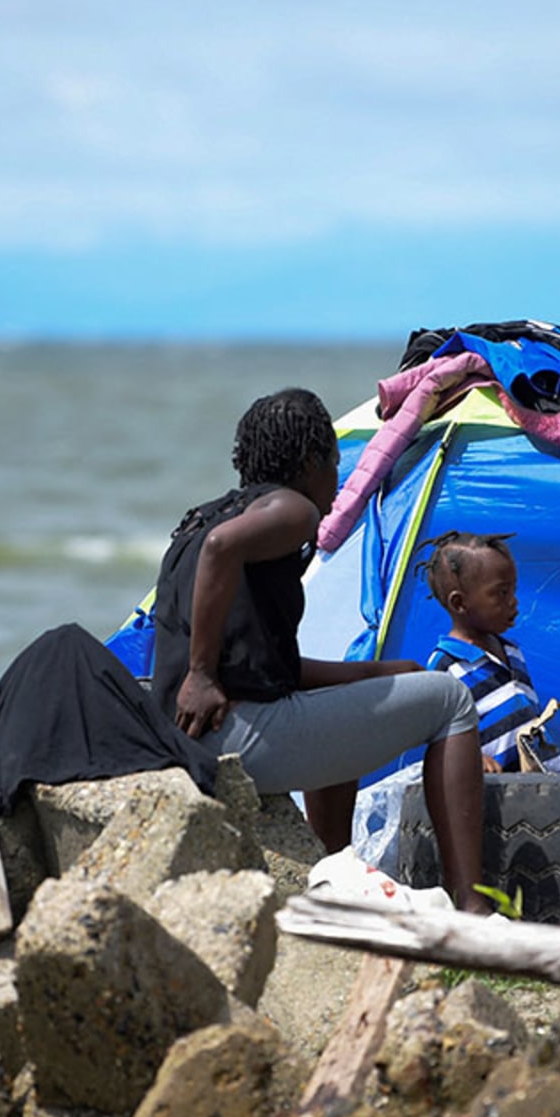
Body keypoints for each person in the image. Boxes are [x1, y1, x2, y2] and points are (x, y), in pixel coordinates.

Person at [150, 387, 495, 913]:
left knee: (345, 713)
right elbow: (225, 552)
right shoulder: (292, 510)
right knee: (451, 699)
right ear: (311, 461)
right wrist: (200, 673)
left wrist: (378, 672)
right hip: (237, 738)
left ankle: (334, 874)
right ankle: (471, 906)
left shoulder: (205, 517)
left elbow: (271, 671)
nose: (337, 479)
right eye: (334, 463)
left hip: (186, 735)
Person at [421, 531, 560, 773]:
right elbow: (436, 737)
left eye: (513, 590)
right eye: (501, 593)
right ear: (459, 603)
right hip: (495, 791)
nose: (514, 601)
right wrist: (472, 758)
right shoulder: (445, 666)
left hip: (540, 780)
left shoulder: (511, 651)